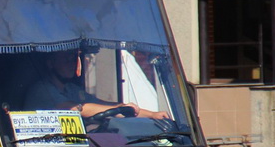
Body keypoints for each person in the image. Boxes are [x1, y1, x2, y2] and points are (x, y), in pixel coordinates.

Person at [24, 49, 169, 120]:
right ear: (51, 63)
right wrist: (118, 108)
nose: (71, 63)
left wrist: (152, 115)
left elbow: (100, 104)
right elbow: (74, 109)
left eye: (74, 58)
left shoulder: (71, 90)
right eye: (66, 59)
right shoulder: (42, 90)